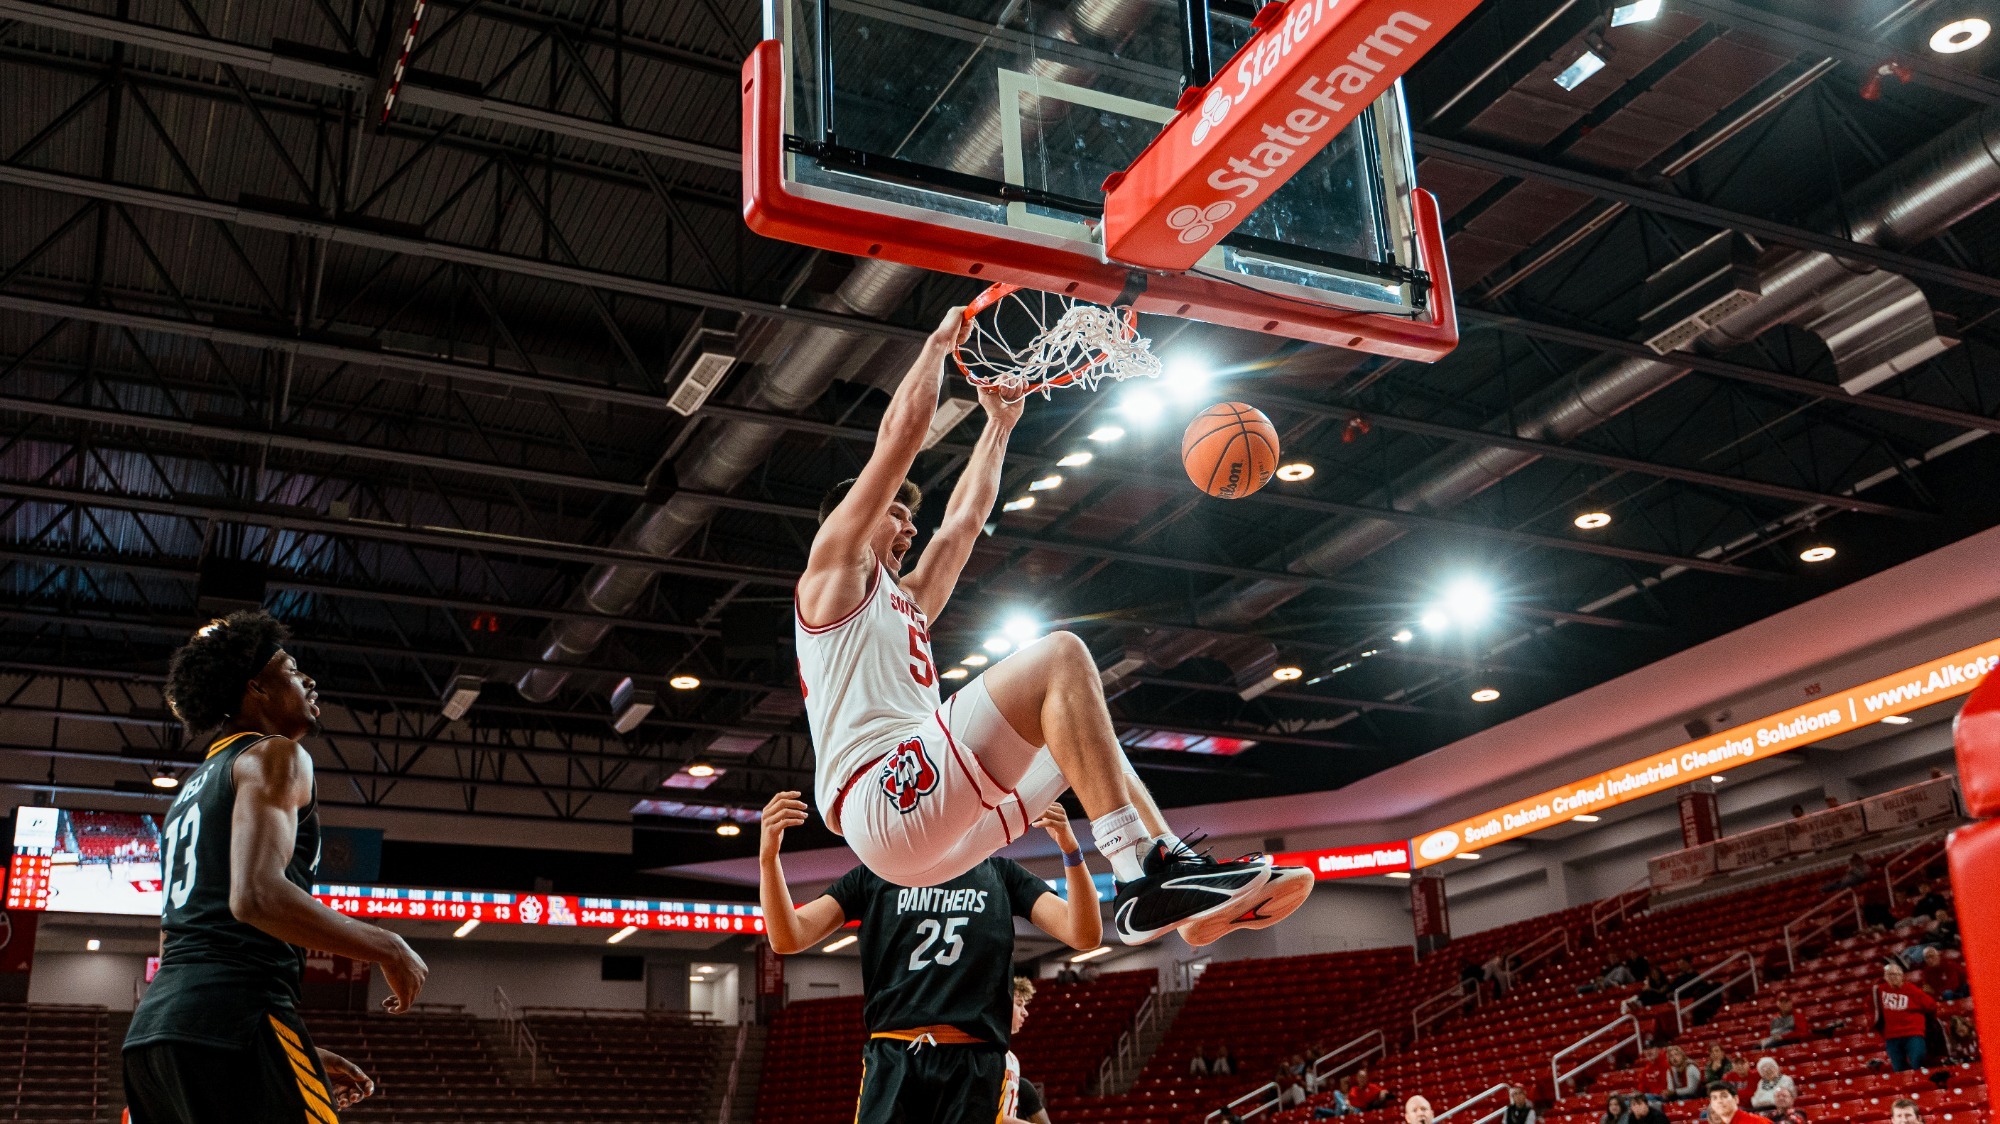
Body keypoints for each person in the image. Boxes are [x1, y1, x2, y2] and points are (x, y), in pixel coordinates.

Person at [794, 308, 1309, 946]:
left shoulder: (907, 602)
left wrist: (999, 426)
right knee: (1060, 655)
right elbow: (898, 441)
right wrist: (934, 346)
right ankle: (1135, 874)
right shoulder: (833, 572)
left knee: (1081, 739)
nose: (909, 525)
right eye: (897, 513)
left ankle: (1174, 875)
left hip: (929, 837)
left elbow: (961, 525)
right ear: (850, 516)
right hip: (881, 794)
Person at [124, 612, 428, 1124]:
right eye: (290, 669)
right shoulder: (276, 755)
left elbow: (176, 937)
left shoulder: (190, 790)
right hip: (235, 1022)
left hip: (156, 1037)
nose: (308, 680)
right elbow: (257, 897)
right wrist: (389, 946)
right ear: (256, 688)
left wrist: (287, 1053)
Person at [757, 787, 1101, 1124]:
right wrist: (768, 859)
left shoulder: (1002, 874)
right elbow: (788, 937)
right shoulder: (878, 872)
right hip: (895, 1052)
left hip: (974, 1059)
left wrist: (1071, 851)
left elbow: (1084, 934)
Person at [1002, 978, 1053, 1124]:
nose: (1025, 1013)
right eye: (1019, 1004)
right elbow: (982, 1114)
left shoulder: (1012, 1059)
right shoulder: (983, 1053)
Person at [1875, 960, 1940, 1072]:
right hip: (1892, 1036)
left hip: (1913, 1034)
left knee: (1918, 1065)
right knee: (1899, 1070)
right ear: (1885, 977)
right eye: (1890, 974)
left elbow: (1931, 1005)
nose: (1893, 977)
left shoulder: (1911, 989)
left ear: (1902, 976)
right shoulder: (1880, 990)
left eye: (1896, 974)